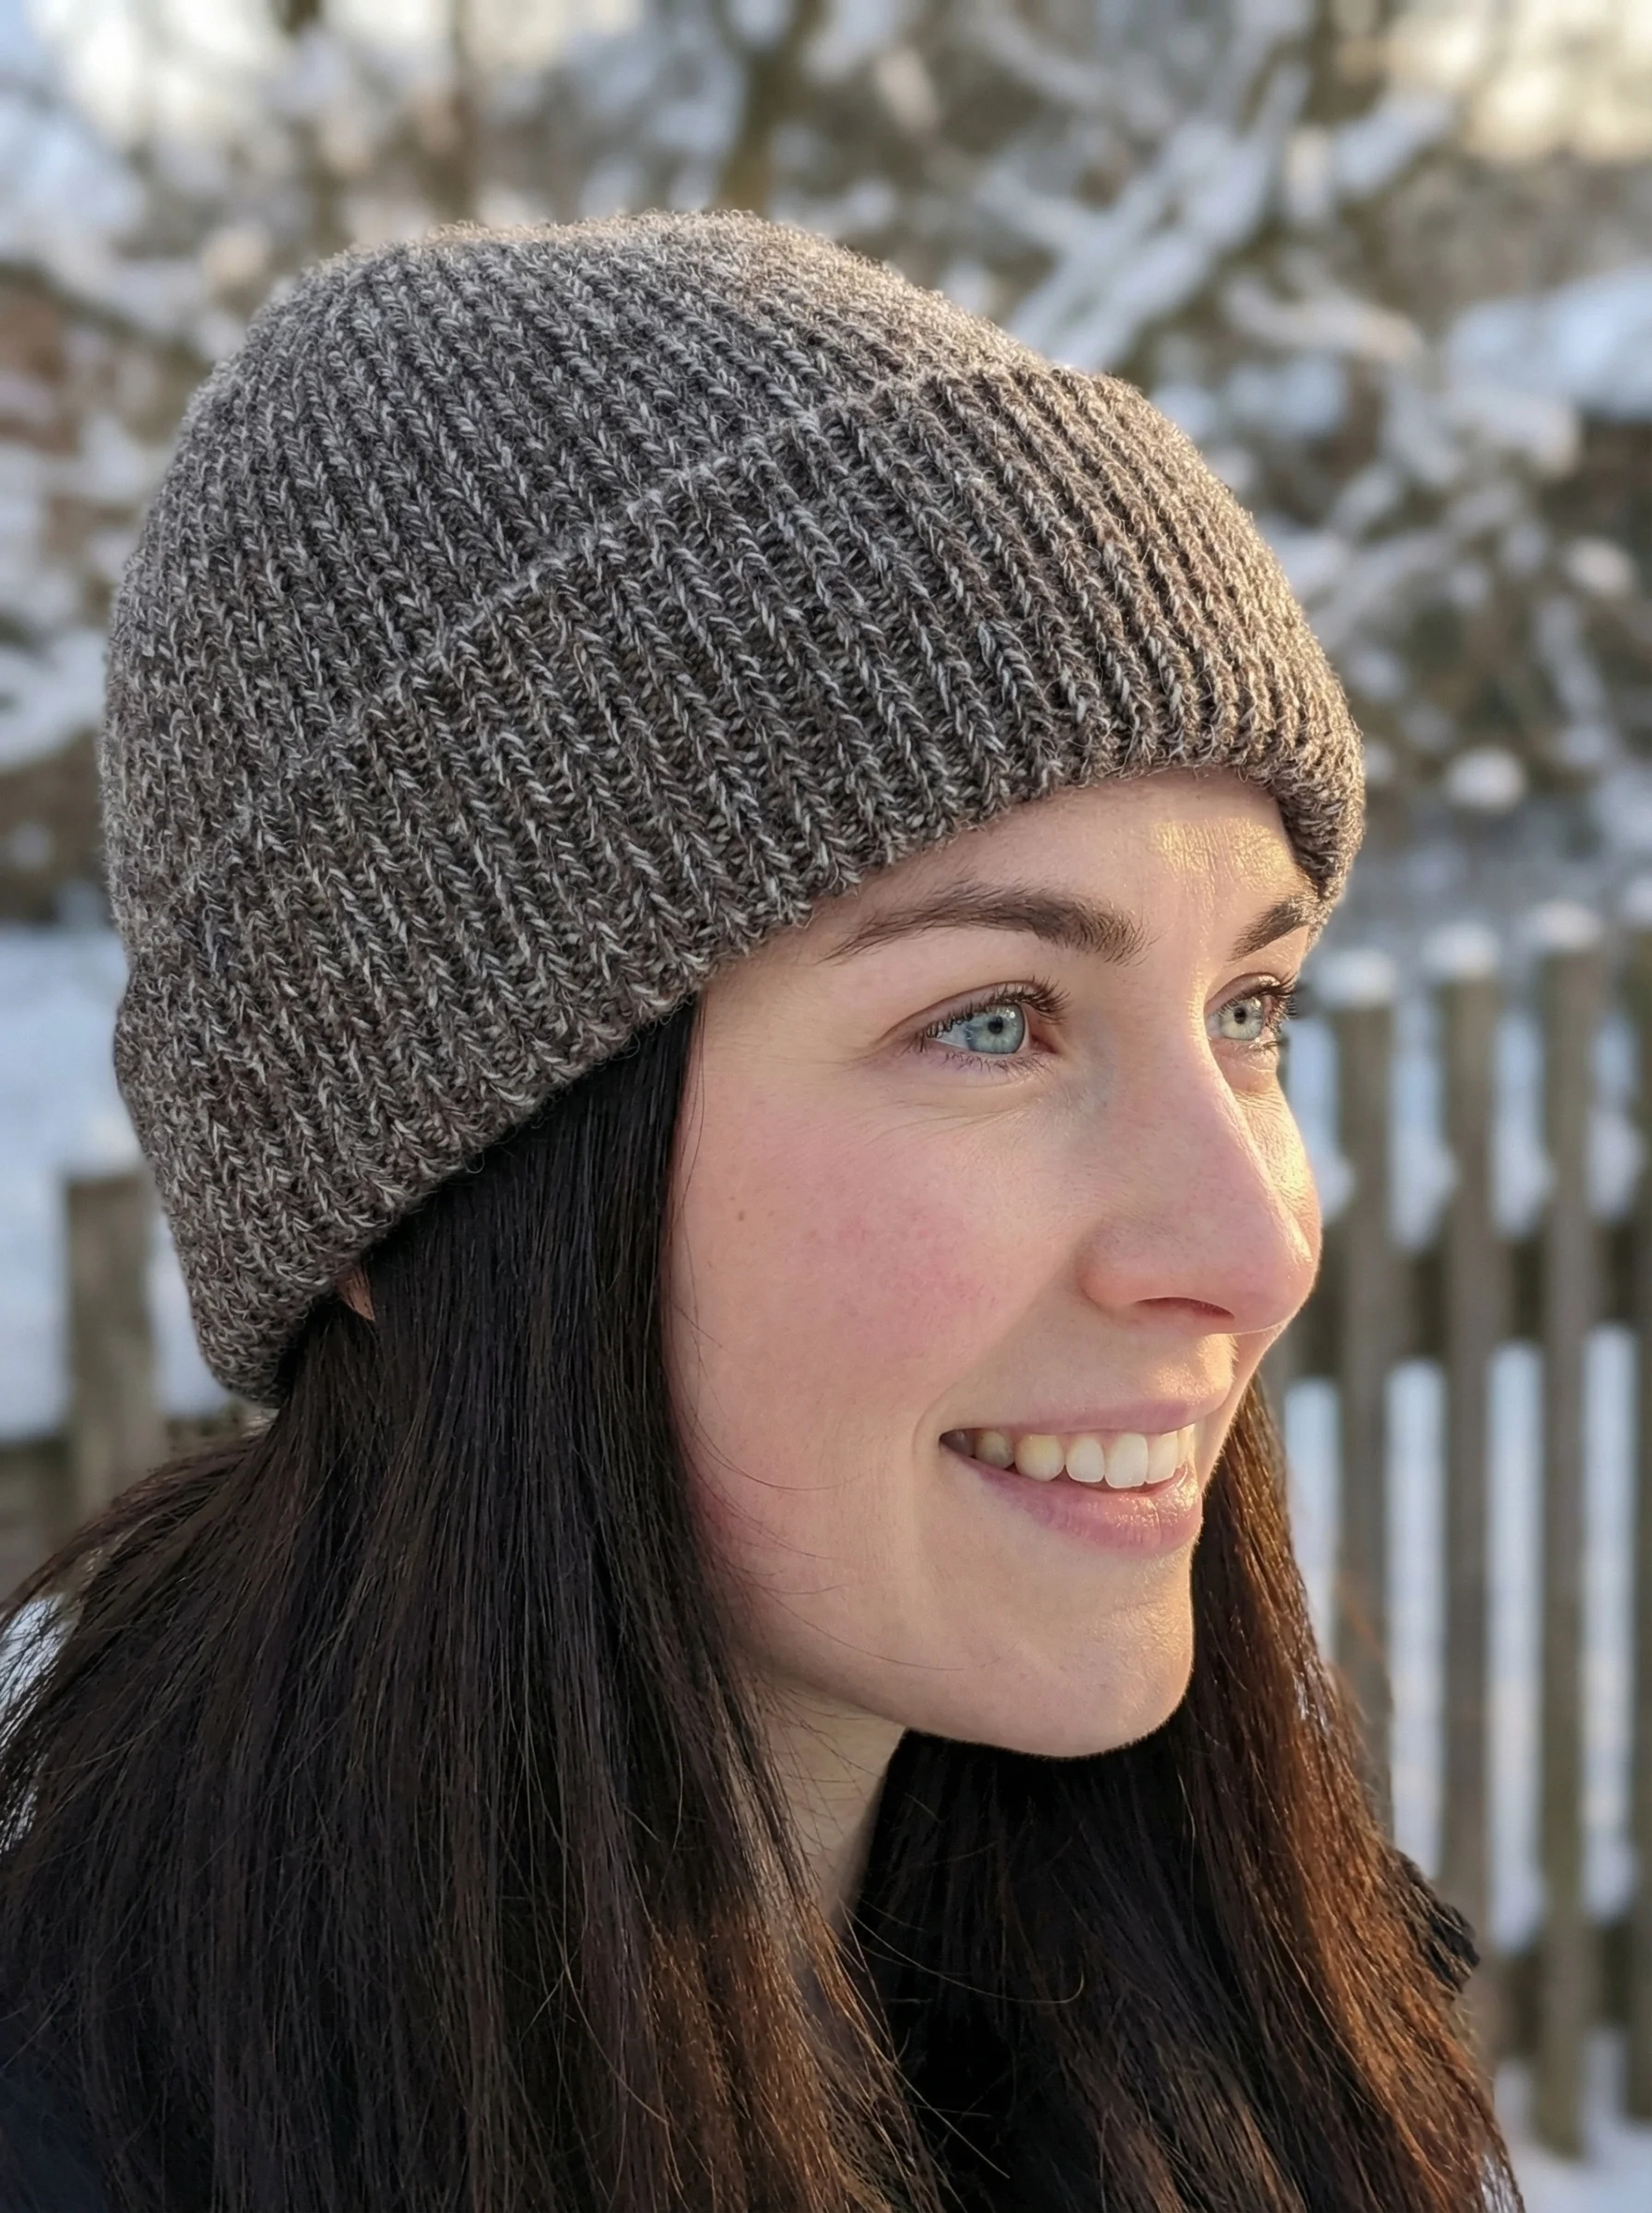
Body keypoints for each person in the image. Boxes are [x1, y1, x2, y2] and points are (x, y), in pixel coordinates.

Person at [0, 212, 1514, 2212]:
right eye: (990, 1019)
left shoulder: (1237, 2057)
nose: (1246, 1245)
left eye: (1249, 1009)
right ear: (423, 1181)